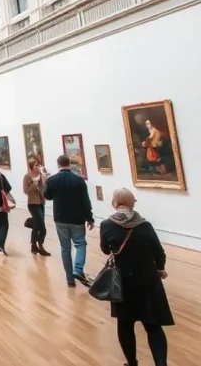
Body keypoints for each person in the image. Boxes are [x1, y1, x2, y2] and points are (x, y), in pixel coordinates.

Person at [100, 189, 174, 366]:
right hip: (148, 280)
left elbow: (105, 249)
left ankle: (132, 363)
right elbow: (159, 252)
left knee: (125, 325)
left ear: (115, 202)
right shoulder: (144, 225)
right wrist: (160, 269)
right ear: (132, 203)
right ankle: (161, 364)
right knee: (153, 326)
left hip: (123, 282)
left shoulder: (107, 225)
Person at [45, 155, 94, 286]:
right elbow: (85, 201)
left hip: (60, 218)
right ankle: (78, 269)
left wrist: (46, 181)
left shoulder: (52, 180)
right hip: (77, 218)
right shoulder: (79, 180)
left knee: (65, 248)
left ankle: (70, 279)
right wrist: (90, 218)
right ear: (69, 164)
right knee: (80, 244)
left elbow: (47, 196)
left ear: (58, 164)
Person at [23, 161, 51, 256]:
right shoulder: (27, 176)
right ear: (32, 167)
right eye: (36, 165)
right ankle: (41, 246)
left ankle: (34, 245)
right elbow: (26, 191)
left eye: (39, 165)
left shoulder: (42, 175)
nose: (38, 167)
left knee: (36, 225)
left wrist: (45, 178)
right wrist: (34, 183)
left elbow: (45, 188)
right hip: (32, 203)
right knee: (42, 228)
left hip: (41, 202)